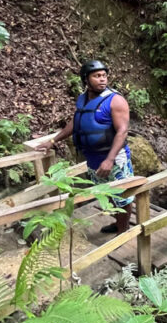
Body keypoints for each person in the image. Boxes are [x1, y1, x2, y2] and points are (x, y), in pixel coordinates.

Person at [34, 60, 134, 235]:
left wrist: (110, 160)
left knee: (122, 195)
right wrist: (53, 141)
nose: (102, 79)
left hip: (113, 157)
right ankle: (118, 223)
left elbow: (123, 131)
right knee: (106, 193)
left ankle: (123, 231)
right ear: (85, 79)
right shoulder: (82, 99)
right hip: (92, 157)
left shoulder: (115, 100)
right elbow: (77, 122)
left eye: (104, 75)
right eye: (97, 76)